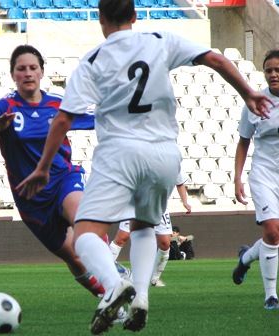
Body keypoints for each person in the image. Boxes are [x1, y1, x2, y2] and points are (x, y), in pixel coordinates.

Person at [17, 0, 273, 333]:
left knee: (85, 234)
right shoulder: (158, 39)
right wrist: (249, 93)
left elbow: (63, 119)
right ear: (135, 16)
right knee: (143, 227)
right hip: (165, 154)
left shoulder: (93, 60)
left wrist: (41, 168)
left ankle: (113, 285)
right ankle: (141, 298)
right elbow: (215, 58)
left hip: (119, 152)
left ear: (100, 19)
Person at [0, 45, 114, 302]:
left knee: (82, 222)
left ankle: (112, 272)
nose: (28, 73)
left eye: (33, 68)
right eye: (21, 69)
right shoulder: (4, 107)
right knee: (74, 256)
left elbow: (98, 118)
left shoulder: (59, 104)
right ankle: (108, 298)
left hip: (63, 179)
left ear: (42, 72)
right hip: (31, 199)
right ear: (13, 75)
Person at [232, 49, 279, 310]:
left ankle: (245, 258)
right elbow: (243, 142)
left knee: (277, 236)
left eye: (277, 70)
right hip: (263, 173)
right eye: (269, 70)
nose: (273, 74)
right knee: (272, 230)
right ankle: (270, 296)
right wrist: (237, 178)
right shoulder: (255, 102)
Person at [109, 170, 192, 287]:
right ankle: (105, 271)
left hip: (159, 206)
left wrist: (185, 202)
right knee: (122, 237)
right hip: (134, 203)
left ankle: (155, 279)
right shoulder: (140, 156)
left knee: (165, 243)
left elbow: (179, 183)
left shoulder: (171, 160)